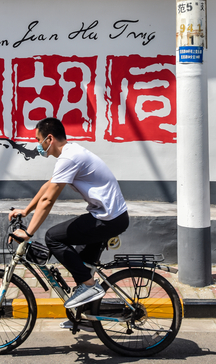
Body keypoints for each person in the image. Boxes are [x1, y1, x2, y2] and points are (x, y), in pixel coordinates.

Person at [9, 117, 129, 315]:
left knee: (53, 237)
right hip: (108, 215)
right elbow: (47, 187)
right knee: (80, 264)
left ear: (49, 139)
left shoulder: (69, 158)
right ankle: (87, 316)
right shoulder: (70, 153)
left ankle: (90, 286)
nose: (38, 146)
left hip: (108, 218)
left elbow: (48, 200)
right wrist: (26, 210)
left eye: (38, 140)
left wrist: (29, 232)